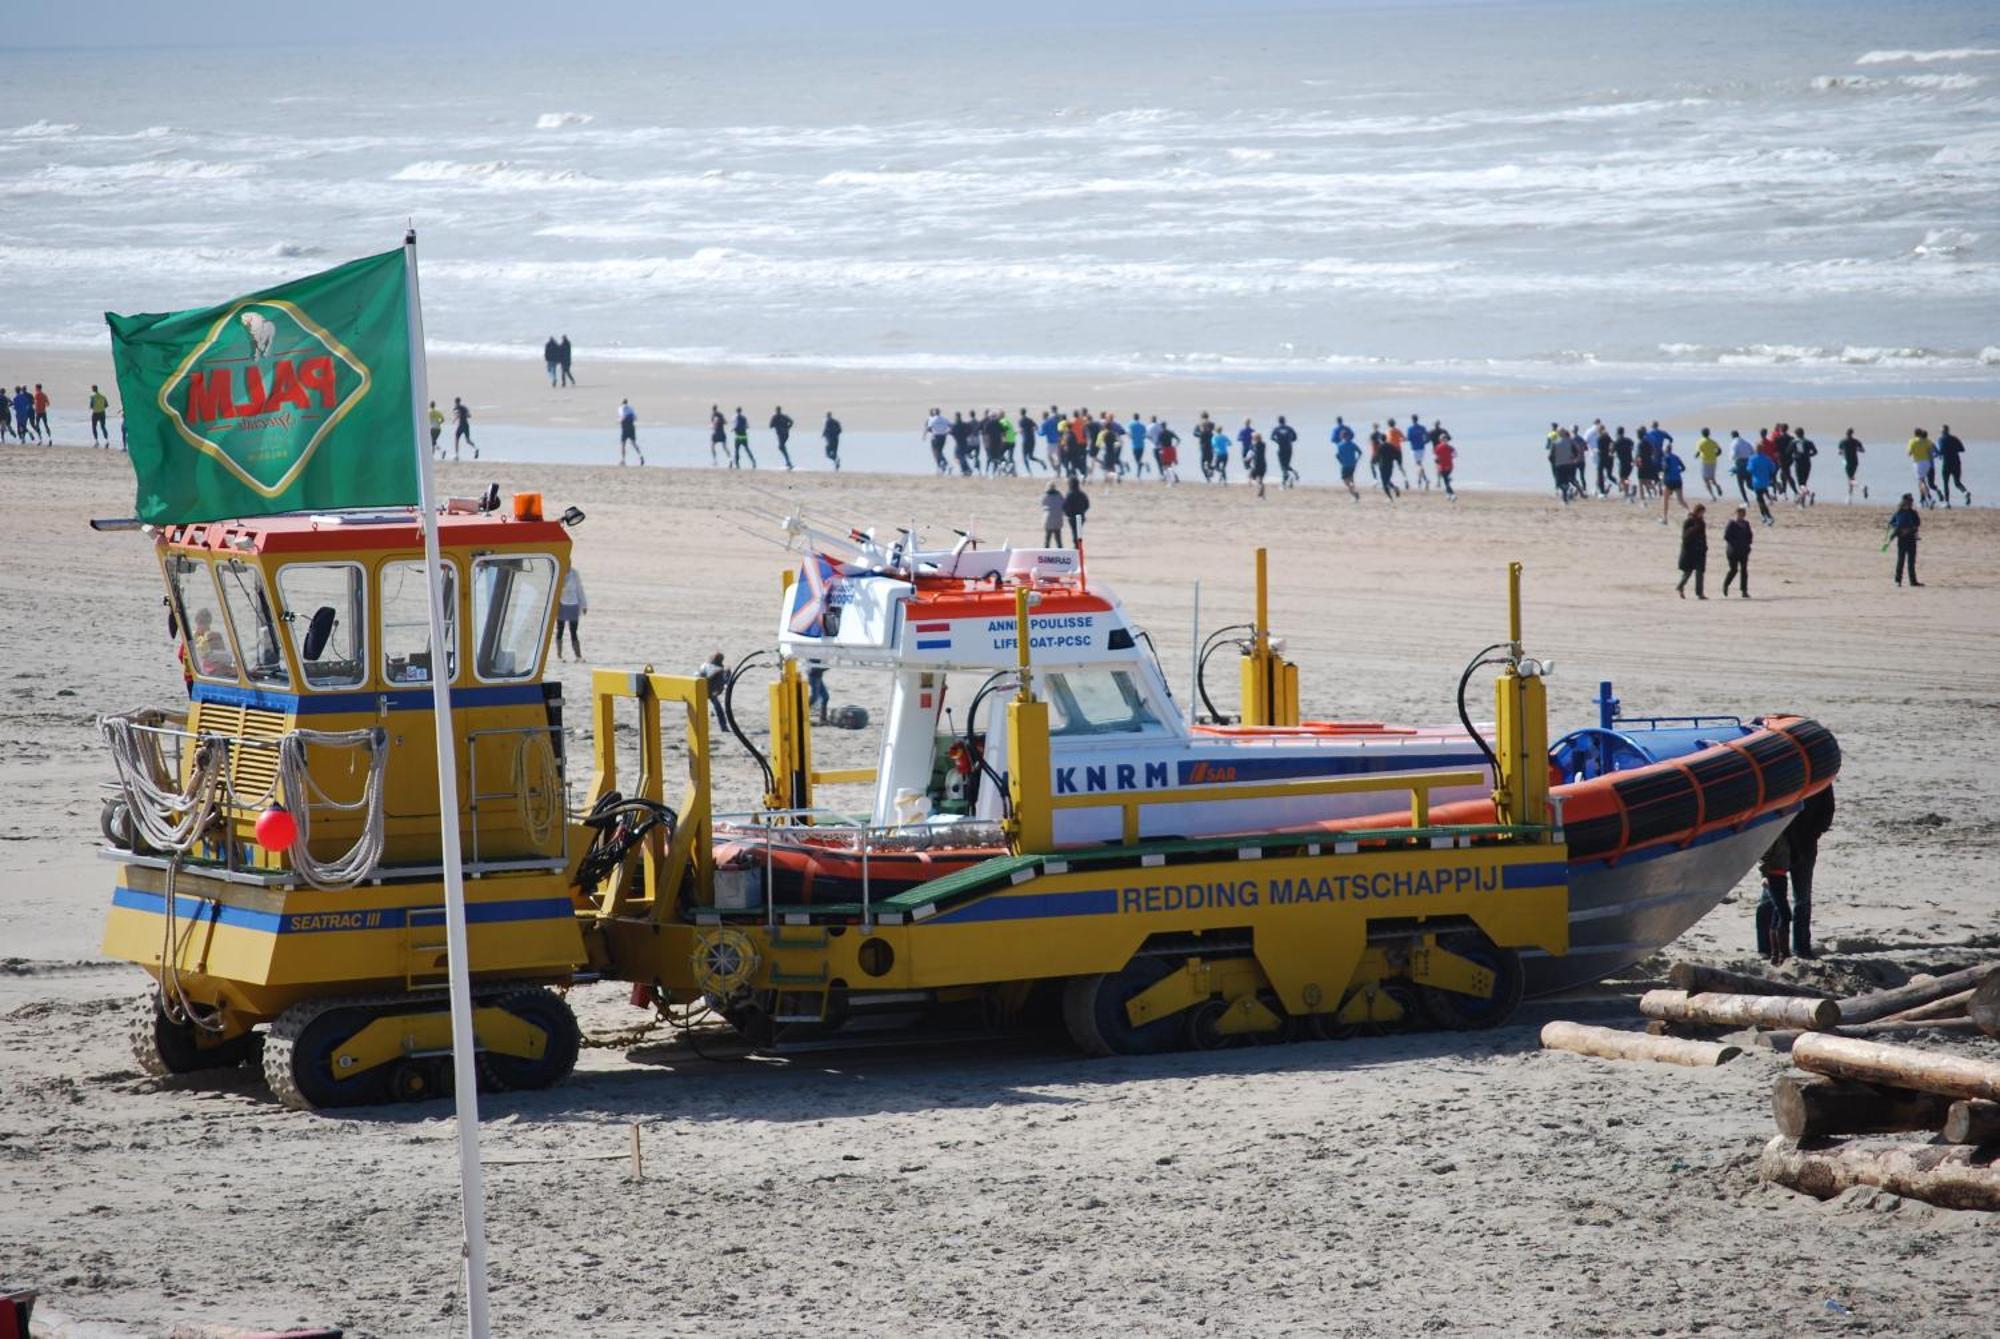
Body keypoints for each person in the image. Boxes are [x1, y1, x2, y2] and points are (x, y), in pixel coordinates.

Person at [1784, 786, 1835, 959]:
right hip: (1781, 846)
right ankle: (1771, 948)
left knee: (1801, 899)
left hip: (1804, 844)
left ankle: (1801, 948)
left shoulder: (1819, 779)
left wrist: (1813, 833)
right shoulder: (1784, 777)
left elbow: (1828, 811)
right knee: (1773, 898)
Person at [1755, 825, 1794, 965]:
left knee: (1777, 914)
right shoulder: (1774, 833)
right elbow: (1763, 856)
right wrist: (1764, 875)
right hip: (1773, 876)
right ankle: (1782, 953)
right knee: (1785, 914)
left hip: (1780, 876)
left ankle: (1775, 955)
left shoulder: (1783, 832)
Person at [1887, 493, 1922, 586]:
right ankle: (1898, 581)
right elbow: (1891, 523)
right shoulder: (1898, 512)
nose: (1911, 503)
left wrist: (1910, 529)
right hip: (1902, 539)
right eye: (1909, 501)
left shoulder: (1913, 512)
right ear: (1904, 501)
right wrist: (1899, 529)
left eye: (1911, 501)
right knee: (1901, 560)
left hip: (1911, 538)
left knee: (1911, 561)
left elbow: (1918, 523)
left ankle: (1913, 581)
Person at [555, 565, 587, 660]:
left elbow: (579, 589)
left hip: (574, 604)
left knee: (573, 631)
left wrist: (584, 605)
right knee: (560, 630)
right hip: (561, 604)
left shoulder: (574, 573)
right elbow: (555, 589)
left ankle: (578, 656)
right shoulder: (559, 571)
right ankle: (559, 655)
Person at [1676, 504, 1708, 599]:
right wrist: (1695, 527)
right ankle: (1680, 586)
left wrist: (1705, 547)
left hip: (1699, 551)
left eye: (1703, 513)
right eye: (1701, 512)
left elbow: (1703, 536)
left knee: (1699, 573)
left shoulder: (1702, 522)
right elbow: (1685, 537)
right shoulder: (1688, 522)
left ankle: (1700, 593)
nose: (1702, 514)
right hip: (1689, 551)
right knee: (1687, 572)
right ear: (1697, 511)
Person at [1722, 505, 1752, 597]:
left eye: (1743, 514)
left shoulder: (1746, 524)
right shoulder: (1732, 523)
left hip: (1743, 551)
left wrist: (1747, 545)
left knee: (1744, 570)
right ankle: (1726, 584)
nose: (1741, 516)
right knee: (1733, 570)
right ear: (1736, 514)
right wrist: (1735, 543)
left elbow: (1750, 535)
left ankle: (1744, 590)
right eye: (1739, 514)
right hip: (1733, 551)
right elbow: (1726, 536)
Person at [1936, 424, 1968, 506]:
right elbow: (1962, 449)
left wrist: (1939, 454)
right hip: (1956, 462)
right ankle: (1965, 492)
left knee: (1945, 483)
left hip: (1946, 462)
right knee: (1957, 482)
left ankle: (1947, 502)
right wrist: (1953, 449)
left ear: (1942, 432)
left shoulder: (1940, 439)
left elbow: (1940, 451)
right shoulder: (1954, 439)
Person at [696, 652, 730, 727]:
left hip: (711, 691)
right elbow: (700, 679)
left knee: (718, 708)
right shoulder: (707, 666)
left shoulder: (709, 666)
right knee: (717, 708)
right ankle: (723, 726)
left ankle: (723, 726)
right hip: (704, 690)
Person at [1908, 428, 1938, 507]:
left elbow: (1909, 453)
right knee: (1920, 481)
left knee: (1921, 481)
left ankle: (1929, 498)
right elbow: (1932, 451)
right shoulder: (1927, 441)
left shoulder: (1912, 441)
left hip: (1918, 463)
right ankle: (1922, 500)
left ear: (1915, 434)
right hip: (1927, 463)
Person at [1748, 448, 1777, 524]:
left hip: (1757, 482)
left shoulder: (1753, 459)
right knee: (1761, 499)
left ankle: (1769, 516)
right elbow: (1773, 469)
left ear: (1756, 450)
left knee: (1760, 501)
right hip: (1765, 482)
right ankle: (1763, 516)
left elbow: (1749, 469)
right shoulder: (1767, 458)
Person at [1693, 427, 1723, 499]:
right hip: (1713, 461)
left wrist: (1696, 456)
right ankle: (1717, 486)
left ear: (1702, 434)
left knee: (1705, 479)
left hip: (1705, 461)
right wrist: (1715, 455)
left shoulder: (1700, 442)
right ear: (1709, 433)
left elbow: (1698, 452)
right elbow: (1719, 450)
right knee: (1712, 478)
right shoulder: (1713, 442)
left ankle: (1712, 495)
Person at [1660, 443, 1688, 522]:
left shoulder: (1665, 457)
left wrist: (1662, 474)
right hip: (1678, 480)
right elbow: (1683, 468)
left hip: (1669, 481)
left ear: (1665, 449)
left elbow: (1665, 468)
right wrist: (1677, 472)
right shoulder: (1676, 457)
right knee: (1680, 500)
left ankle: (1665, 518)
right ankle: (1689, 512)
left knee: (1665, 500)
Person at [1837, 428, 1866, 502]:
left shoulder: (1843, 441)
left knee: (1850, 480)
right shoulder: (1856, 441)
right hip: (1855, 462)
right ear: (1852, 434)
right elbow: (1863, 450)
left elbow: (1839, 452)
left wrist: (1843, 452)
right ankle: (1849, 497)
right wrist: (1856, 449)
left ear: (1846, 434)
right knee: (1851, 479)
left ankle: (1861, 488)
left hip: (1847, 462)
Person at [1334, 423, 1361, 500]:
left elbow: (1337, 456)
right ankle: (1354, 491)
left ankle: (1354, 494)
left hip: (1345, 465)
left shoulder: (1340, 445)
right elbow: (1360, 452)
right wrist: (1356, 460)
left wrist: (1340, 462)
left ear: (1342, 436)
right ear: (1348, 436)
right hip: (1352, 464)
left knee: (1346, 481)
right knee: (1351, 478)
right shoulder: (1352, 444)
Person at [1062, 475, 1090, 547]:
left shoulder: (1069, 494)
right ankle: (1078, 546)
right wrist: (1082, 511)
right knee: (1078, 532)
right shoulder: (1082, 494)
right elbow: (1087, 505)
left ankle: (1076, 546)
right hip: (1080, 516)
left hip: (1073, 517)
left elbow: (1064, 506)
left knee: (1075, 532)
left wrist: (1068, 514)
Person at [1792, 426, 1817, 506]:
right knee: (1804, 482)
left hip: (1799, 463)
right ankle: (1802, 502)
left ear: (1796, 434)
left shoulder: (1794, 442)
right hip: (1807, 463)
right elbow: (1815, 452)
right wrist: (1808, 455)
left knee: (1801, 484)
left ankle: (1809, 494)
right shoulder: (1809, 442)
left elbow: (1788, 452)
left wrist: (1794, 456)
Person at [1272, 416, 1299, 488]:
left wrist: (1278, 442)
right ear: (1285, 421)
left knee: (1283, 466)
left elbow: (1271, 437)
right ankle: (1293, 473)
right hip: (1289, 448)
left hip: (1281, 449)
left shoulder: (1276, 429)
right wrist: (1290, 441)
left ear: (1278, 421)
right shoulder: (1289, 428)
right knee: (1286, 464)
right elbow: (1295, 437)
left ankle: (1284, 482)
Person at [1432, 426, 1457, 500]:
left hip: (1442, 466)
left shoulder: (1437, 447)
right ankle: (1448, 494)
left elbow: (1436, 457)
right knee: (1446, 480)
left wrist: (1438, 461)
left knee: (1446, 481)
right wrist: (1449, 457)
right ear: (1447, 440)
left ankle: (1453, 495)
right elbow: (1455, 455)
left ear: (1440, 440)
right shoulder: (1451, 447)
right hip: (1450, 466)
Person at [1405, 416, 1429, 490]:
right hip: (1422, 448)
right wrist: (1424, 442)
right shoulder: (1422, 428)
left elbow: (1408, 438)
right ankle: (1421, 481)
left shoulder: (1410, 429)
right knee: (1420, 464)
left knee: (1418, 465)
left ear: (1412, 420)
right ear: (1417, 419)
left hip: (1414, 449)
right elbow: (1428, 437)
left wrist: (1402, 439)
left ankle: (1424, 480)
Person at [1040, 482, 1066, 548]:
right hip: (1058, 518)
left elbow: (1042, 504)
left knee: (1047, 538)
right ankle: (1060, 552)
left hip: (1048, 518)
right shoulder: (1059, 495)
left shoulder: (1045, 495)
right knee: (1058, 539)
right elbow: (1063, 504)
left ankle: (1046, 552)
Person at [618, 399, 643, 465]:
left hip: (625, 428)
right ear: (627, 402)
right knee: (633, 443)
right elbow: (635, 418)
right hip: (631, 427)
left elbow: (622, 417)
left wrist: (619, 421)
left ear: (622, 403)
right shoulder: (631, 408)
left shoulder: (621, 408)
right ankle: (640, 456)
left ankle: (623, 460)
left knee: (623, 444)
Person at [770, 405, 795, 470]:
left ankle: (789, 462)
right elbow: (792, 422)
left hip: (782, 435)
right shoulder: (783, 416)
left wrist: (787, 427)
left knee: (781, 447)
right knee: (782, 447)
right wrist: (788, 428)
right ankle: (788, 462)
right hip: (785, 434)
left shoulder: (775, 417)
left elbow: (771, 426)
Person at [1247, 431, 1268, 498]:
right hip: (1263, 464)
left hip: (1256, 464)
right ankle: (1262, 493)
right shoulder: (1263, 444)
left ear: (1254, 438)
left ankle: (1258, 486)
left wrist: (1247, 459)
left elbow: (1251, 454)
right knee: (1260, 479)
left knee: (1251, 476)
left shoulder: (1253, 446)